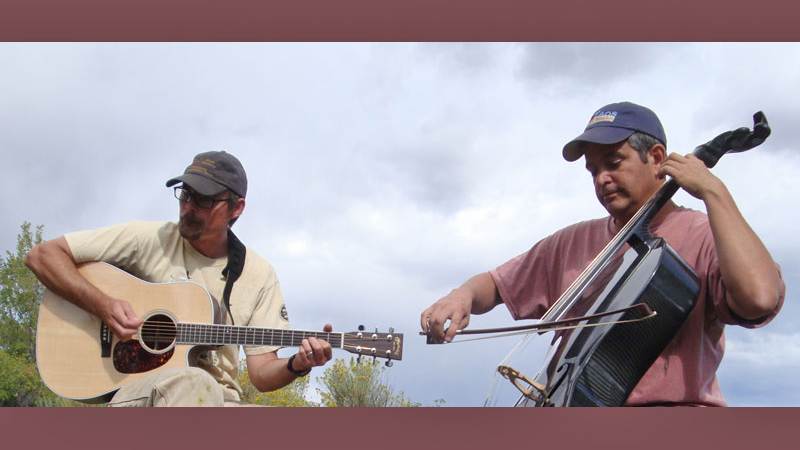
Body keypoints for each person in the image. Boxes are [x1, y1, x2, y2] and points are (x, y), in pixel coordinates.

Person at [420, 102, 785, 406]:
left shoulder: (704, 234)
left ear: (657, 157)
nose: (601, 179)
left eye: (613, 162)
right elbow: (496, 285)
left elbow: (759, 298)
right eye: (593, 170)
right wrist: (461, 296)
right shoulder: (573, 241)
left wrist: (713, 191)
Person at [26, 150, 333, 406]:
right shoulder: (147, 239)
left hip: (221, 401)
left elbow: (262, 373)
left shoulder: (259, 274)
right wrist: (103, 305)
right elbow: (42, 256)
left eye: (205, 200)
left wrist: (298, 364)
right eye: (185, 195)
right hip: (142, 393)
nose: (188, 208)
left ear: (236, 208)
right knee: (194, 384)